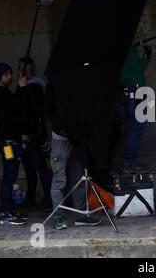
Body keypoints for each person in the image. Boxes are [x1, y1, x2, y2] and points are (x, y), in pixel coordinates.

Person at [45, 83, 101, 229]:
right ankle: (59, 218)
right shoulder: (53, 85)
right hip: (62, 136)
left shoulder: (78, 84)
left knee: (80, 179)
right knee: (59, 181)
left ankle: (81, 215)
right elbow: (48, 112)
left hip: (77, 138)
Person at [0, 63, 29, 225]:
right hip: (8, 144)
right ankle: (6, 213)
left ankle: (10, 210)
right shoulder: (1, 93)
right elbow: (19, 106)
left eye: (10, 73)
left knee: (10, 175)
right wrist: (22, 88)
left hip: (9, 142)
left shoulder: (2, 93)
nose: (10, 77)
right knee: (9, 176)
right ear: (0, 76)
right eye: (7, 74)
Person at [16, 57, 52, 210]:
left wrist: (23, 89)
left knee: (40, 169)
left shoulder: (34, 86)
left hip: (33, 135)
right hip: (28, 134)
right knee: (30, 169)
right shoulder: (29, 86)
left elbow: (29, 110)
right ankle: (31, 198)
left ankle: (49, 199)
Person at [120, 43, 152, 173]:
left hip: (128, 94)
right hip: (135, 94)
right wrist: (147, 52)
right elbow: (140, 68)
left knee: (134, 129)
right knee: (136, 129)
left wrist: (147, 53)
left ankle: (130, 161)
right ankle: (129, 162)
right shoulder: (130, 50)